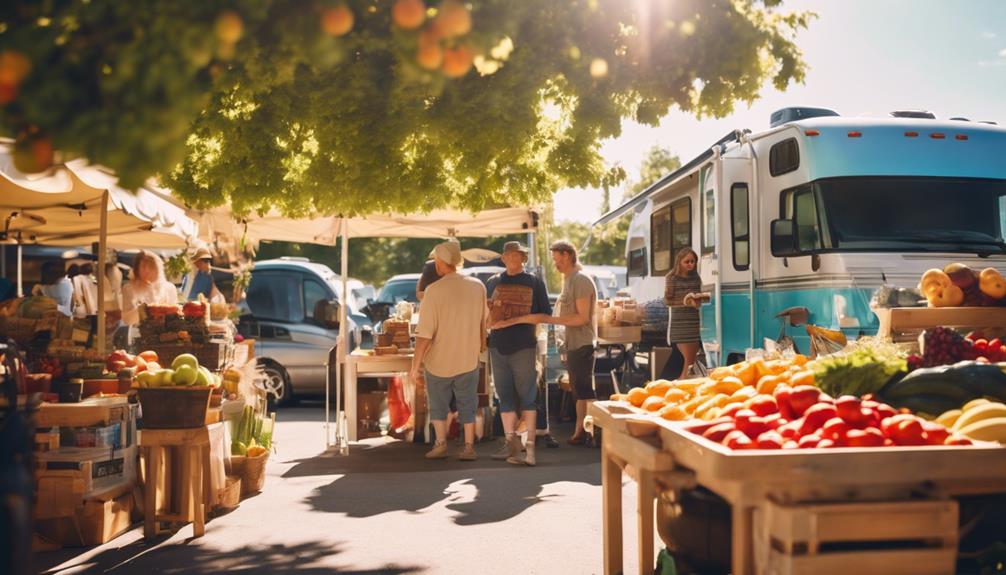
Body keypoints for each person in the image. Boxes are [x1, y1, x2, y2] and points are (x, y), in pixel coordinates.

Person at [492, 240, 597, 446]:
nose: (555, 264)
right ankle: (581, 432)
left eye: (556, 259)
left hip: (580, 342)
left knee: (584, 390)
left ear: (566, 255)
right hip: (571, 343)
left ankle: (592, 433)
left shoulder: (580, 280)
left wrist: (548, 319)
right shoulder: (570, 279)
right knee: (579, 390)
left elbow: (582, 318)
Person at [410, 241, 487, 461]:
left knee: (438, 404)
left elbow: (424, 335)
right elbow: (485, 322)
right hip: (468, 357)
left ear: (440, 263)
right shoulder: (477, 286)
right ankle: (469, 447)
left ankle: (441, 444)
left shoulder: (433, 291)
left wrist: (415, 366)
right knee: (468, 403)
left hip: (438, 360)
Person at [486, 241, 551, 466]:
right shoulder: (493, 282)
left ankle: (529, 448)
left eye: (518, 256)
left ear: (524, 258)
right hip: (497, 346)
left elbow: (545, 315)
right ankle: (511, 444)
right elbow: (485, 313)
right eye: (509, 256)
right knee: (504, 397)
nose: (513, 259)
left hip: (523, 346)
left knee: (528, 397)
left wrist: (515, 320)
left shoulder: (534, 283)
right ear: (503, 258)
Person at [664, 247, 707, 380]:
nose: (690, 264)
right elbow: (668, 300)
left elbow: (699, 295)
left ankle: (681, 382)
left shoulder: (696, 277)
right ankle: (682, 383)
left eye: (693, 261)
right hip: (680, 322)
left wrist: (699, 299)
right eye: (687, 261)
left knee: (690, 362)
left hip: (693, 321)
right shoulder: (671, 278)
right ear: (679, 262)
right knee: (688, 362)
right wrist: (686, 301)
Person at [121, 251, 178, 327]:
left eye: (151, 267)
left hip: (164, 333)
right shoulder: (129, 289)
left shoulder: (169, 288)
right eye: (143, 266)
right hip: (137, 332)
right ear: (137, 268)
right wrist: (142, 310)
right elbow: (127, 319)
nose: (147, 270)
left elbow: (175, 316)